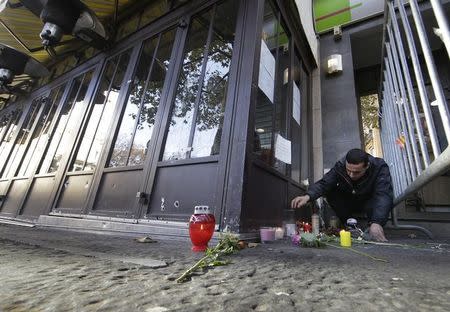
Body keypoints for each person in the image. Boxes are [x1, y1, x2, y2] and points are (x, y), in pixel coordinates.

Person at [291, 148, 393, 242]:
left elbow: (383, 195)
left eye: (356, 172)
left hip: (368, 201)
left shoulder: (379, 167)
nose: (351, 175)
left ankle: (372, 226)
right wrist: (307, 196)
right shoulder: (340, 165)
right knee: (330, 190)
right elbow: (325, 183)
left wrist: (377, 222)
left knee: (379, 198)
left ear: (367, 166)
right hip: (349, 200)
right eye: (348, 170)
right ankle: (349, 224)